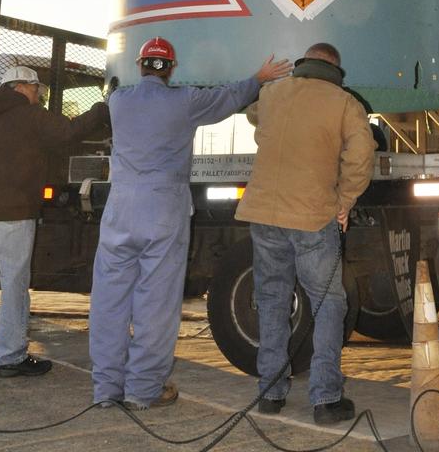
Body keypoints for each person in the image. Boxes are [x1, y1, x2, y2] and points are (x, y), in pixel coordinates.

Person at [89, 36, 292, 411]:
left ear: (139, 66)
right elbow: (228, 98)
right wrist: (257, 78)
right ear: (170, 69)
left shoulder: (118, 102)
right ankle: (142, 390)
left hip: (120, 208)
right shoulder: (183, 102)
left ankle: (105, 390)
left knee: (109, 300)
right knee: (156, 303)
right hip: (162, 209)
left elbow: (111, 97)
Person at [236, 42, 375, 425]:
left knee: (272, 299)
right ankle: (326, 399)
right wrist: (344, 201)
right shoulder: (345, 103)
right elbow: (362, 156)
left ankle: (270, 393)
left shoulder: (272, 93)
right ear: (336, 68)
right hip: (313, 216)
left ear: (304, 63)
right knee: (329, 302)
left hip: (264, 214)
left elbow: (253, 116)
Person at [0, 64, 110, 376]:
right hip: (17, 209)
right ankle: (10, 356)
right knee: (15, 282)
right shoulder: (31, 116)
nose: (39, 95)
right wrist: (100, 111)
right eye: (36, 88)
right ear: (21, 86)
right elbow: (68, 132)